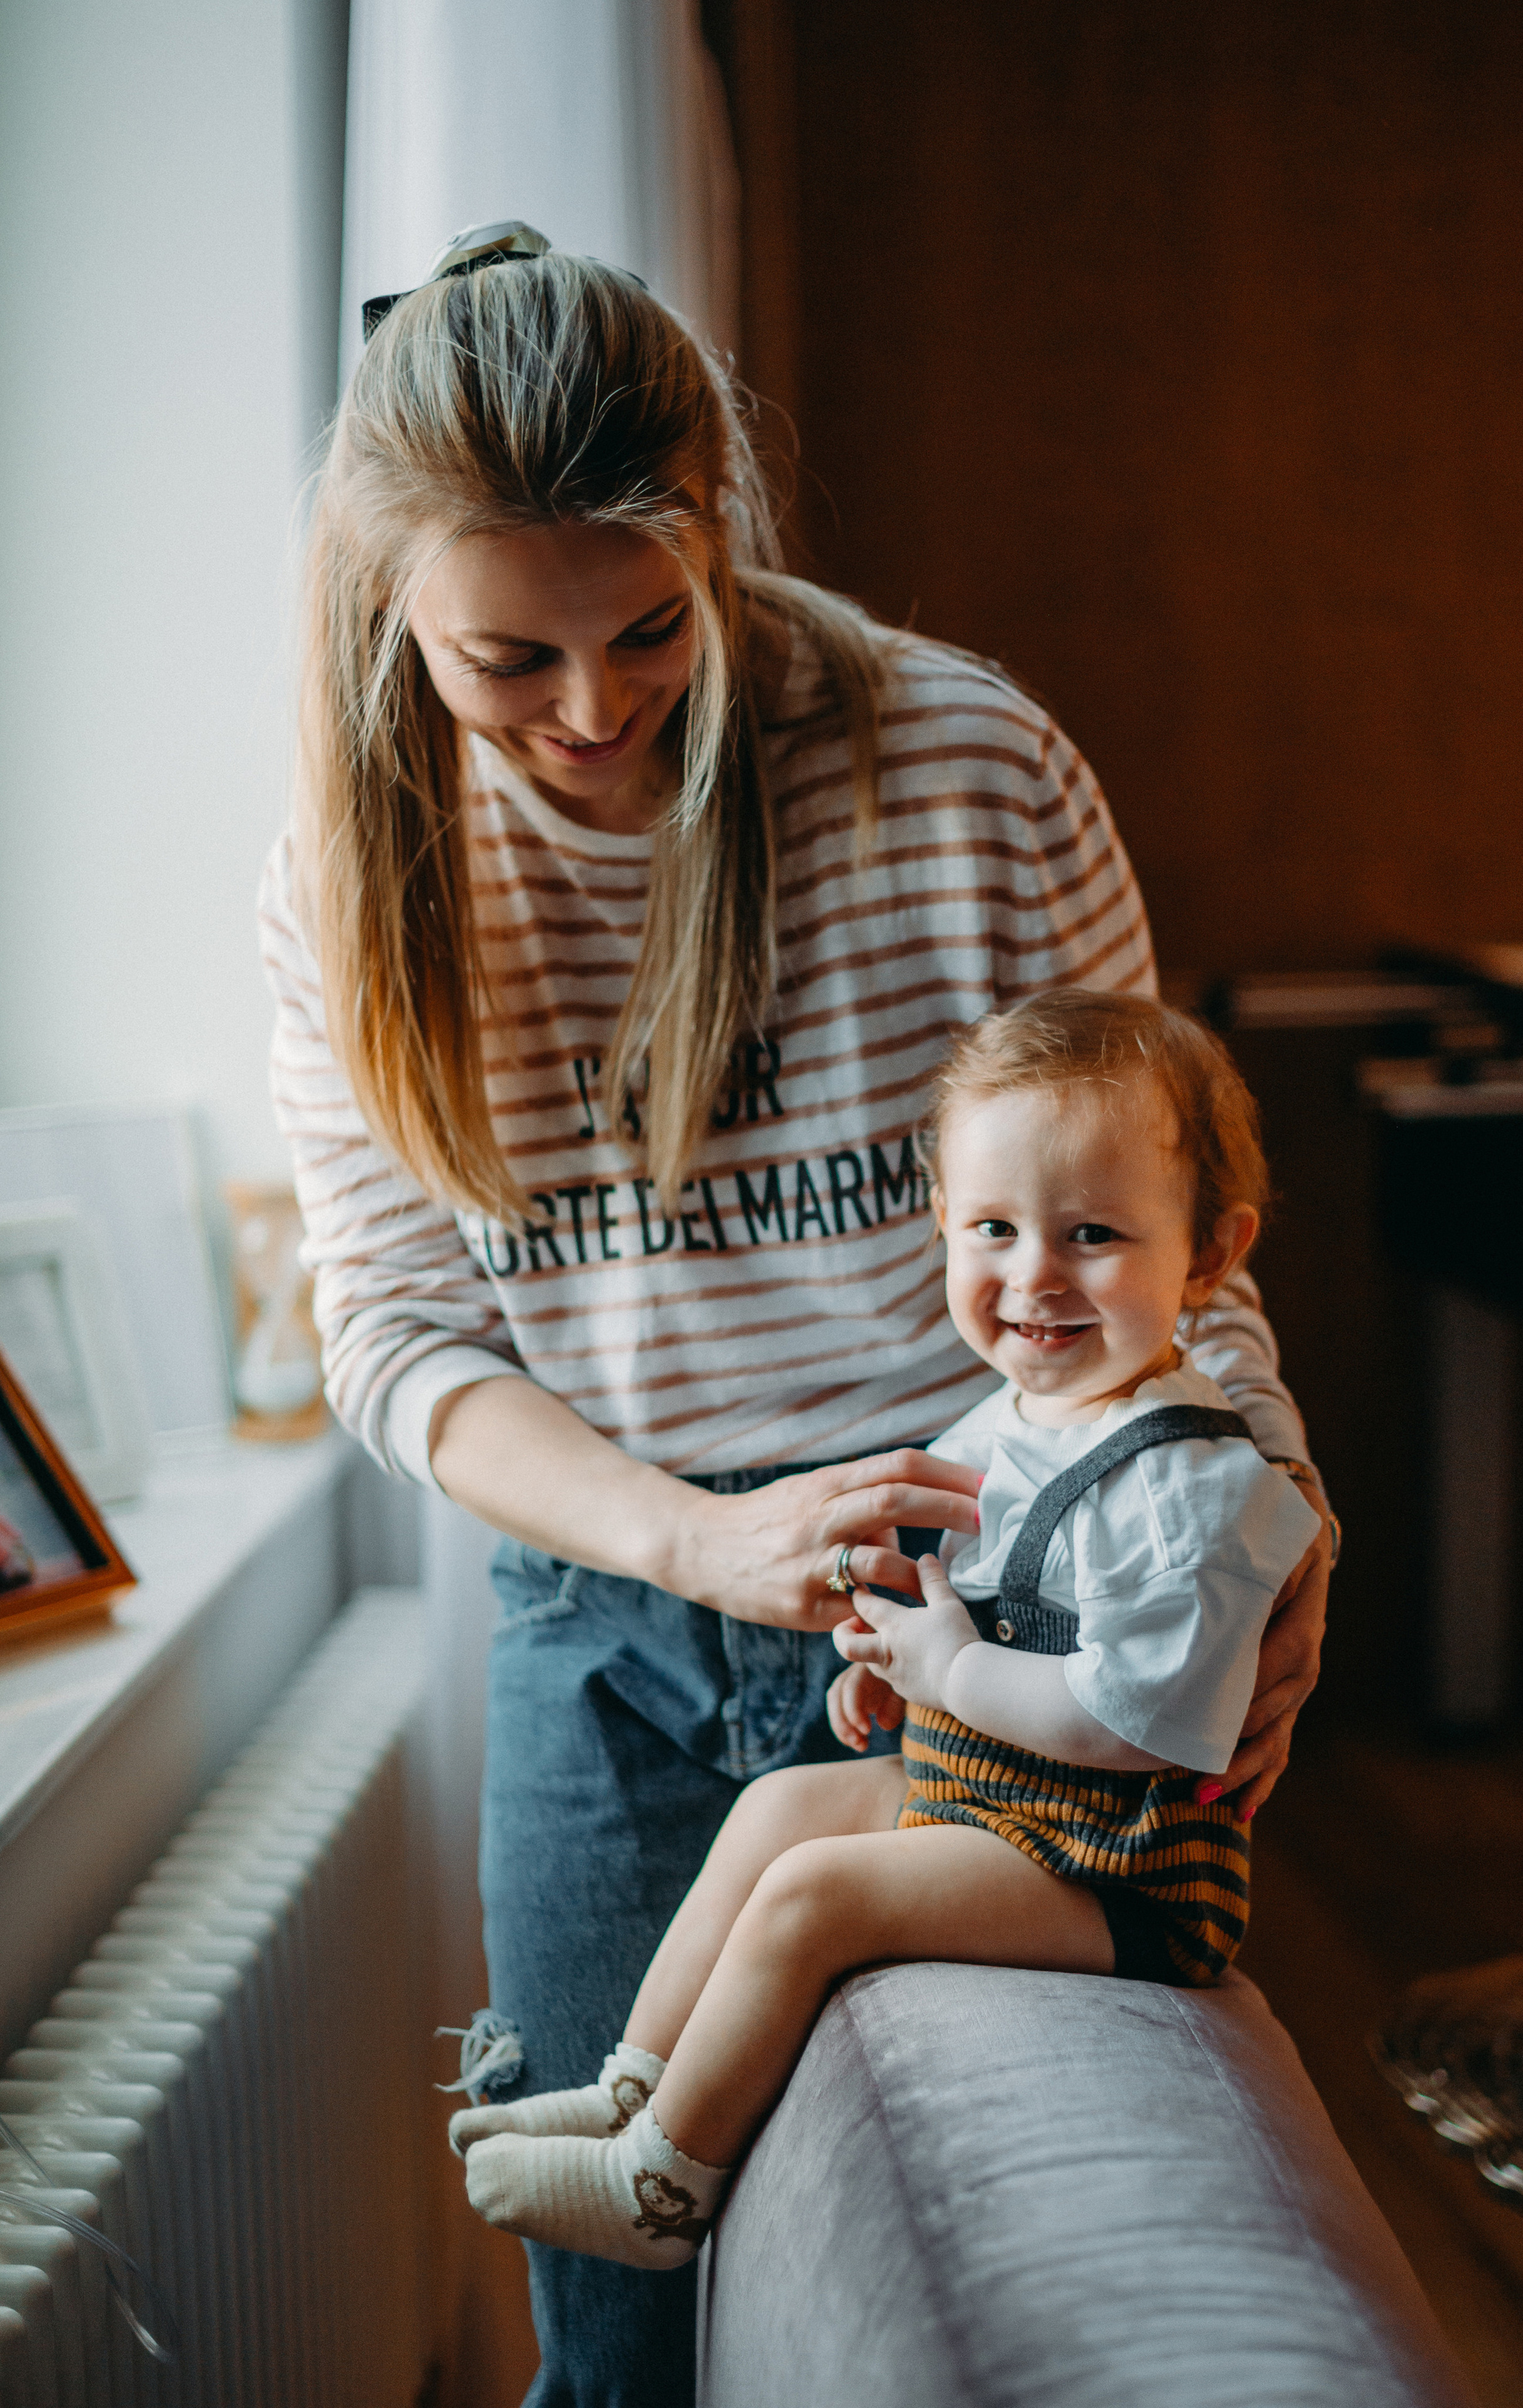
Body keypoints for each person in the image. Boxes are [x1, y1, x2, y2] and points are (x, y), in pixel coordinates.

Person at [261, 222, 1335, 2407]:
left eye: (650, 628)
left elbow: (1163, 1209)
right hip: (610, 1629)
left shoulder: (967, 766)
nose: (592, 713)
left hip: (997, 1583)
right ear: (389, 615)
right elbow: (396, 1338)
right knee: (615, 2336)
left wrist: (1273, 1491)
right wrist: (701, 1537)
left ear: (723, 526)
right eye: (505, 665)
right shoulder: (350, 877)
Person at [445, 989, 1323, 2265]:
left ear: (1206, 1253)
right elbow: (954, 1610)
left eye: (1090, 1235)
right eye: (992, 1228)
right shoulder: (1013, 1421)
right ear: (940, 1226)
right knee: (777, 1812)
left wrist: (950, 1671)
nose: (1032, 1277)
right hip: (1008, 1806)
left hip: (1119, 1873)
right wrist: (892, 1666)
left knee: (814, 1895)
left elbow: (1135, 1730)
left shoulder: (1198, 1489)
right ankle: (639, 2079)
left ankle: (660, 2187)